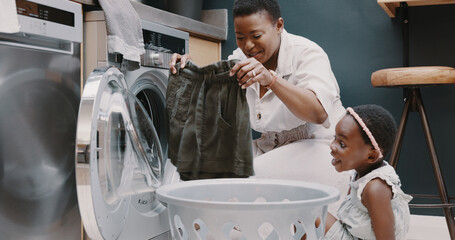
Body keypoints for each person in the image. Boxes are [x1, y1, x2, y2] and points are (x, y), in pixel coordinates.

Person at [169, 0, 349, 213]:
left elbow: (318, 113)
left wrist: (270, 80)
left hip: (322, 149)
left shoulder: (307, 54)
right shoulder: (239, 58)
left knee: (249, 177)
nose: (248, 46)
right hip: (271, 148)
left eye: (256, 36)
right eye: (240, 37)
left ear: (279, 26)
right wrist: (189, 69)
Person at [323, 104, 412, 240]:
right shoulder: (361, 171)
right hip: (351, 233)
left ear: (371, 156)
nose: (332, 145)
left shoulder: (375, 188)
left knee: (308, 215)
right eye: (335, 138)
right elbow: (348, 205)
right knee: (308, 212)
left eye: (342, 144)